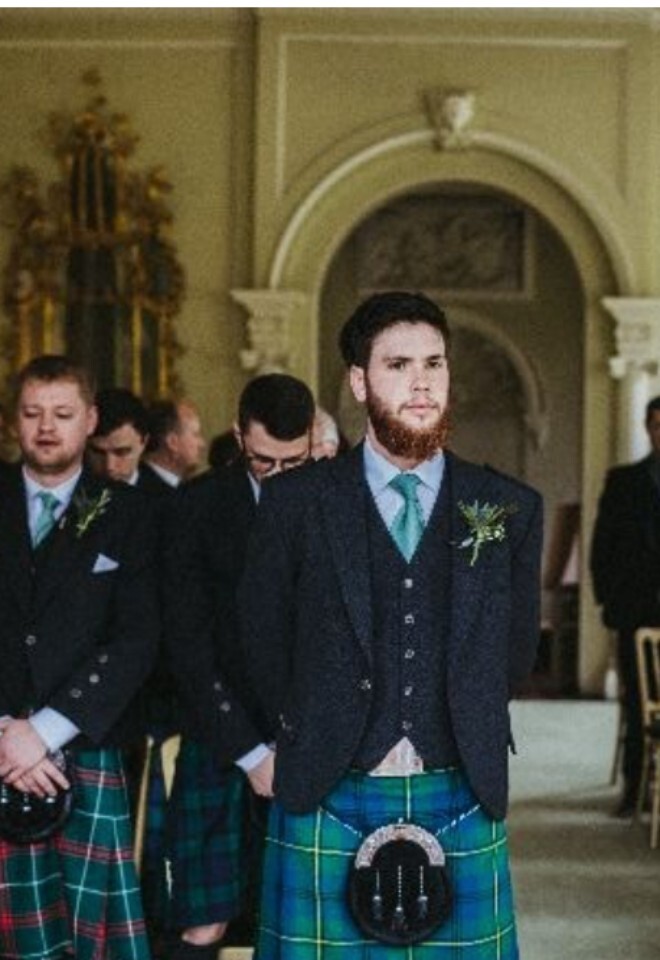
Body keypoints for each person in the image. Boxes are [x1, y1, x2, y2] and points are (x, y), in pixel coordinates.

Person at [239, 291, 543, 959]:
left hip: (458, 782)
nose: (421, 383)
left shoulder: (508, 507)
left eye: (434, 363)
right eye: (399, 364)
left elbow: (516, 651)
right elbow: (260, 640)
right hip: (328, 779)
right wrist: (295, 735)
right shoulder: (296, 503)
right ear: (359, 381)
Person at [0, 354, 159, 960]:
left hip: (84, 748)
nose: (46, 427)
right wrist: (5, 735)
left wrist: (42, 731)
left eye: (62, 414)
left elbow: (139, 638)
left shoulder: (131, 514)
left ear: (89, 419)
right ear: (15, 420)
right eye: (33, 413)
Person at [164, 373, 316, 960]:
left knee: (307, 918)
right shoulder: (195, 508)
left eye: (293, 462)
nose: (278, 477)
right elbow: (186, 642)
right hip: (220, 735)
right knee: (205, 924)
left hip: (310, 741)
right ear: (238, 436)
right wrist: (252, 754)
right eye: (262, 462)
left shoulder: (337, 502)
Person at [590, 395, 660, 816]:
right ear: (646, 428)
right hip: (634, 607)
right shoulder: (623, 481)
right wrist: (608, 601)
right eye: (655, 424)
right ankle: (635, 789)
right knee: (637, 701)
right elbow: (603, 547)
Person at [87, 386, 152, 487]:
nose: (109, 466)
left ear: (144, 443)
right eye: (98, 453)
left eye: (121, 452)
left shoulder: (169, 499)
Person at [144, 398, 206, 486]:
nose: (202, 444)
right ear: (173, 443)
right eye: (195, 435)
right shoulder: (143, 491)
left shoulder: (181, 486)